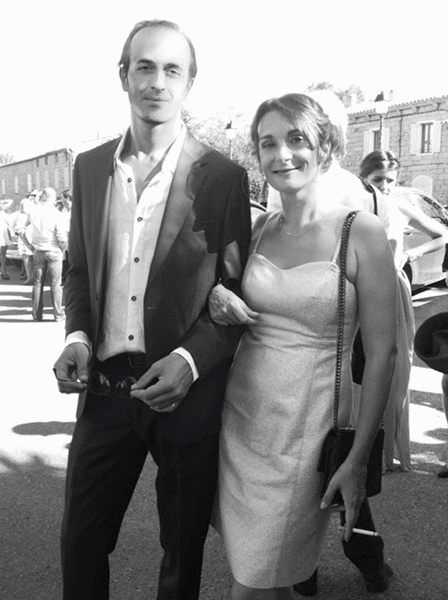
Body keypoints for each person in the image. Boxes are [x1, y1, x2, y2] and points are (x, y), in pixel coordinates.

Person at [52, 19, 251, 600]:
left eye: (171, 70)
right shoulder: (90, 167)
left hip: (184, 394)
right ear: (123, 76)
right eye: (144, 67)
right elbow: (78, 270)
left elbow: (233, 296)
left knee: (181, 555)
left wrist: (190, 361)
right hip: (105, 390)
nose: (157, 82)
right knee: (80, 543)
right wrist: (77, 337)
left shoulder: (223, 177)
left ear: (189, 83)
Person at [210, 93, 397, 600]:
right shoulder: (258, 229)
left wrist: (358, 459)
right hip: (241, 420)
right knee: (266, 575)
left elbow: (382, 355)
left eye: (296, 139)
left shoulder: (360, 231)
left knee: (251, 581)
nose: (282, 154)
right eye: (267, 143)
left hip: (306, 429)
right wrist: (219, 299)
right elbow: (229, 304)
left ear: (326, 147)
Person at [360, 149, 448, 472]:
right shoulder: (354, 205)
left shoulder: (399, 205)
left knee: (395, 367)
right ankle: (358, 447)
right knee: (358, 368)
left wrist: (413, 254)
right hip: (357, 289)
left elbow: (442, 235)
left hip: (392, 290)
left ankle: (388, 452)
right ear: (363, 178)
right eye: (377, 179)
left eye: (390, 180)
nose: (384, 186)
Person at [23, 187, 67, 321]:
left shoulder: (32, 212)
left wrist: (28, 245)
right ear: (52, 199)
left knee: (37, 284)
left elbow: (19, 229)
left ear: (42, 197)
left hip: (38, 250)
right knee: (55, 284)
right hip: (53, 250)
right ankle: (58, 314)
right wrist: (63, 249)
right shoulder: (56, 214)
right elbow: (61, 237)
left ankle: (36, 315)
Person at [0, 199, 13, 280]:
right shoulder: (4, 214)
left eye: (2, 203)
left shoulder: (4, 214)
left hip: (3, 235)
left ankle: (4, 272)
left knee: (3, 254)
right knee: (3, 254)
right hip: (2, 234)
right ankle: (3, 273)